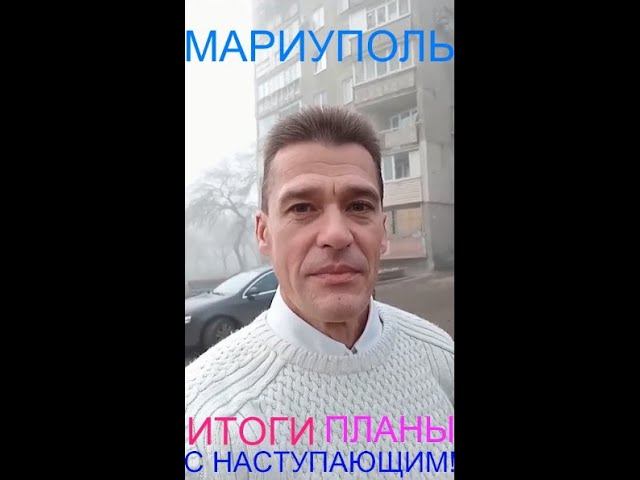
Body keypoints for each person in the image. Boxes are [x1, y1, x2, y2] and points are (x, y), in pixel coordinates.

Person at [185, 106, 454, 479]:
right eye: (302, 208)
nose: (336, 235)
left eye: (358, 206)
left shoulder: (440, 357)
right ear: (263, 233)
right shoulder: (207, 423)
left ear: (383, 230)